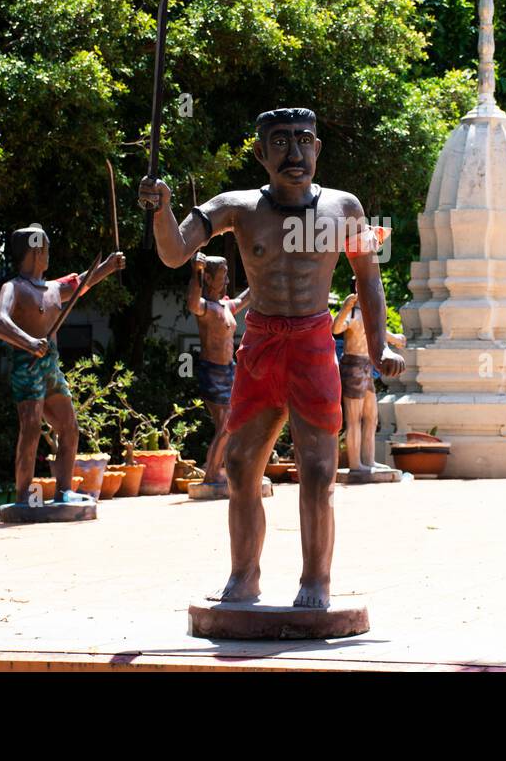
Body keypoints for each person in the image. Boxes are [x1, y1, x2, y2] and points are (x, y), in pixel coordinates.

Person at [139, 107, 404, 608]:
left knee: (320, 472)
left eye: (305, 140)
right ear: (260, 152)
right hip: (260, 345)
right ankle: (244, 576)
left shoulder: (343, 208)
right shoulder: (237, 207)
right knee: (240, 467)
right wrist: (160, 209)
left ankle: (315, 583)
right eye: (280, 143)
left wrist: (381, 342)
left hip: (311, 343)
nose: (295, 153)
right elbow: (175, 253)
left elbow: (367, 275)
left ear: (319, 150)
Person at [0, 227, 125, 505]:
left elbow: (82, 284)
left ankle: (64, 491)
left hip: (51, 368)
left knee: (69, 427)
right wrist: (29, 342)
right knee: (30, 430)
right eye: (47, 250)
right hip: (27, 366)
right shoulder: (14, 288)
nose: (49, 255)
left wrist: (109, 267)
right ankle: (23, 498)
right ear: (36, 251)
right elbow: (0, 323)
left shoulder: (54, 288)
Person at [331, 274, 405, 473]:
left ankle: (369, 460)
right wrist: (346, 307)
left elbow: (377, 332)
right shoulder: (353, 312)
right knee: (354, 417)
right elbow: (336, 328)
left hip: (366, 366)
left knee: (371, 416)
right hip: (353, 365)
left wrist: (394, 338)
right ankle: (356, 463)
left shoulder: (370, 312)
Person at [187, 253, 249, 484]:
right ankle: (212, 473)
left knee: (230, 424)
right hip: (211, 370)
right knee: (226, 423)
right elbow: (192, 303)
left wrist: (261, 272)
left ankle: (217, 468)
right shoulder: (206, 308)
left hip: (228, 370)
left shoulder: (224, 306)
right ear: (209, 278)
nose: (226, 281)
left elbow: (245, 298)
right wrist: (197, 272)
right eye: (222, 276)